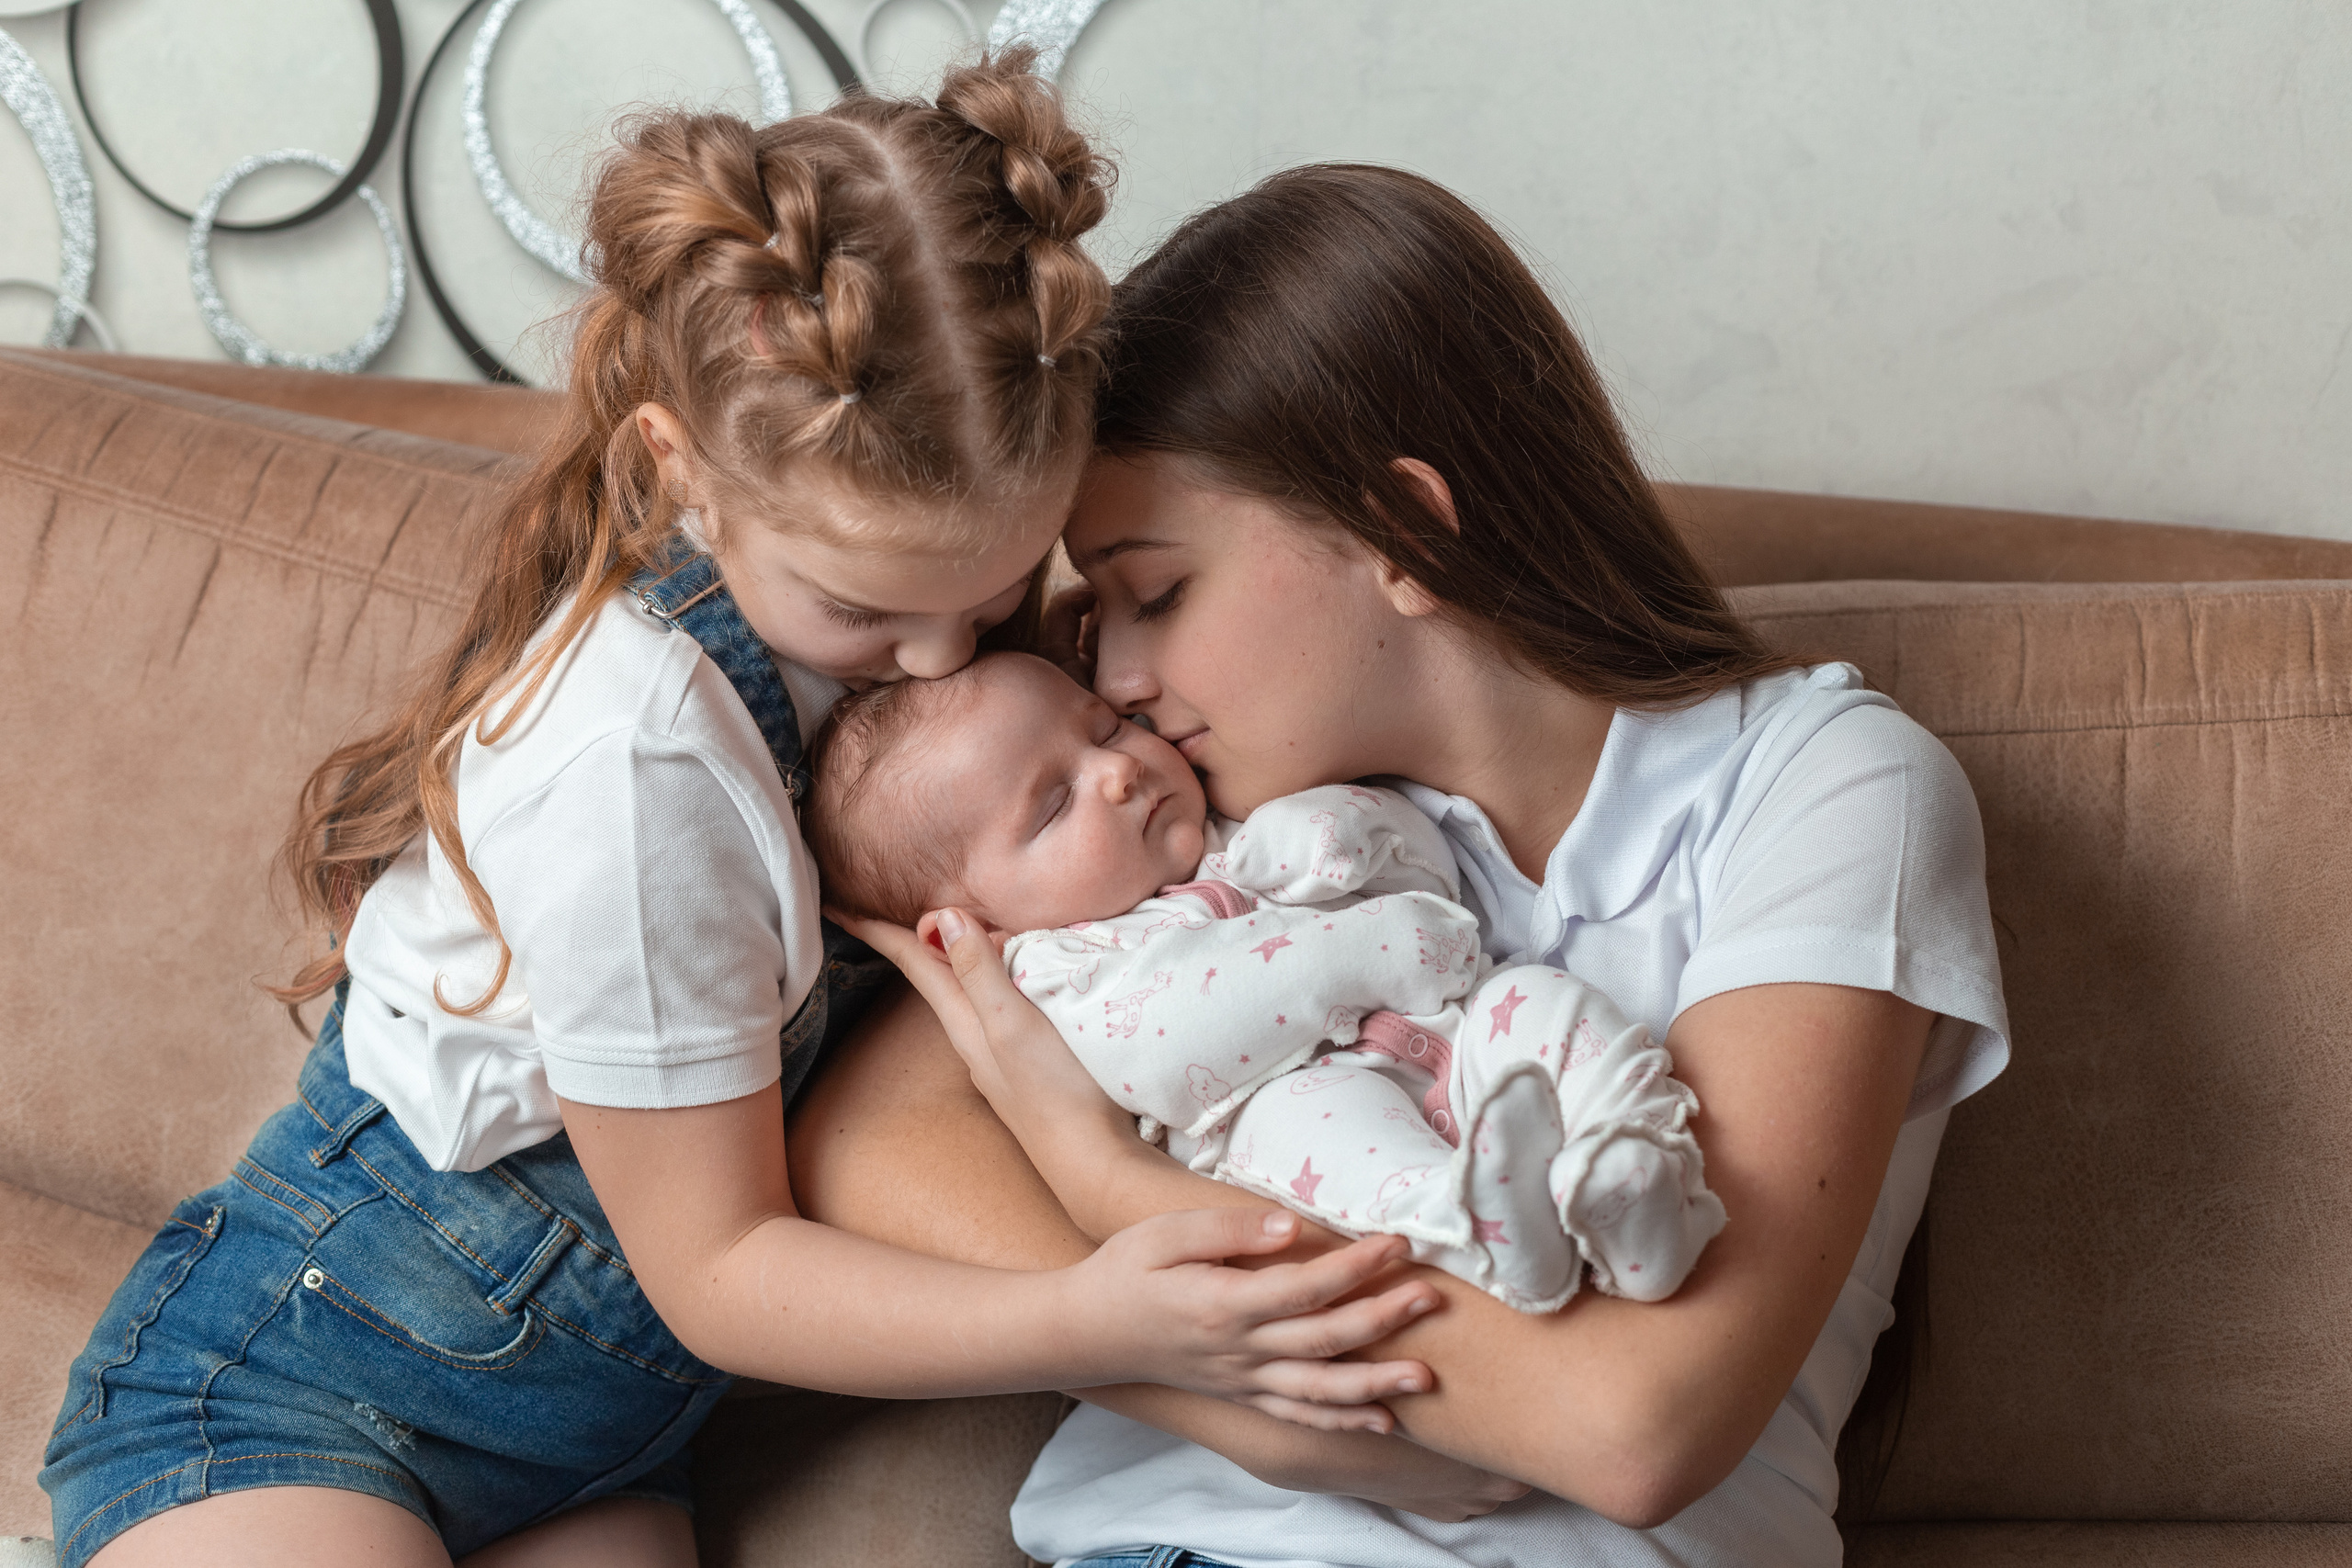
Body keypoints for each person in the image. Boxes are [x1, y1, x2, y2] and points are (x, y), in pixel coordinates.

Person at [40, 69, 1444, 1568]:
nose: (941, 659)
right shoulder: (637, 763)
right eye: (867, 607)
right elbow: (716, 1266)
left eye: (994, 587)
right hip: (295, 1395)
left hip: (595, 1451)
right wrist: (1093, 1320)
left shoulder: (941, 628)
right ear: (681, 475)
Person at [808, 163, 2012, 1566]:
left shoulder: (1827, 787)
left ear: (1404, 532)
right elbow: (862, 1149)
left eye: (1155, 591)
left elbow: (1637, 1423)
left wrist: (1103, 1177)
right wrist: (1225, 1397)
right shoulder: (1199, 823)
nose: (1116, 676)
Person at [804, 651, 1728, 1313]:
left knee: (1547, 1007)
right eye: (1053, 803)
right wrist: (1358, 950)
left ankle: (1639, 1178)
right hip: (1280, 1111)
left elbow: (1428, 876)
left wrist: (1345, 833)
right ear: (966, 924)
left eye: (1105, 728)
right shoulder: (1052, 970)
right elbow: (1164, 1044)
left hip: (1466, 1043)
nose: (1117, 772)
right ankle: (1477, 1238)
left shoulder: (1237, 820)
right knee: (1327, 1135)